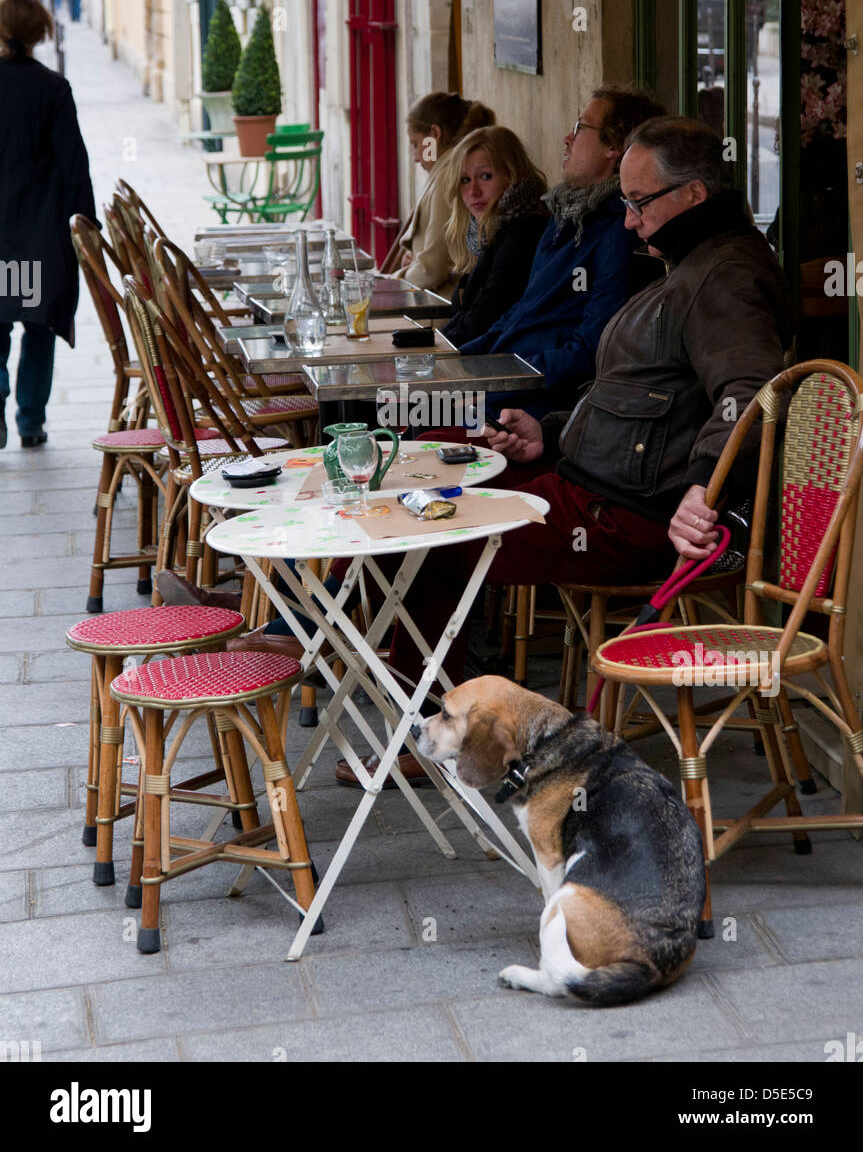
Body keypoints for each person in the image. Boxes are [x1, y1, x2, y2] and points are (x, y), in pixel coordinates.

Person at [334, 115, 794, 785]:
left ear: (692, 196)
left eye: (638, 203)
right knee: (428, 475)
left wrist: (704, 487)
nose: (629, 221)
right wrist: (546, 431)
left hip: (633, 513)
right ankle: (397, 670)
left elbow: (748, 393)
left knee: (434, 534)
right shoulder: (693, 260)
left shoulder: (722, 276)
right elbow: (639, 392)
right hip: (597, 481)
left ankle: (426, 735)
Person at [454, 84, 667, 417]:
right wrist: (457, 363)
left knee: (412, 414)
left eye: (580, 128)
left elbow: (591, 349)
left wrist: (494, 382)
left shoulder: (620, 230)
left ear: (614, 146)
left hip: (539, 403)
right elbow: (519, 314)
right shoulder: (564, 215)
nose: (567, 139)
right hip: (506, 381)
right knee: (401, 402)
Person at [0, 0, 96, 449]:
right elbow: (74, 166)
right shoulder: (53, 88)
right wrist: (88, 230)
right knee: (38, 327)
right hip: (38, 238)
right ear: (39, 32)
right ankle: (30, 420)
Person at [441, 125, 549, 347]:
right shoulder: (495, 229)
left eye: (486, 176)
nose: (473, 192)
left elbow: (484, 316)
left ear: (512, 174)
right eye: (465, 180)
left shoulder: (523, 231)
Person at [381, 92, 496, 294]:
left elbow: (432, 269)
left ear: (434, 134)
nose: (416, 157)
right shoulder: (444, 171)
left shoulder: (446, 176)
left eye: (416, 144)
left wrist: (398, 278)